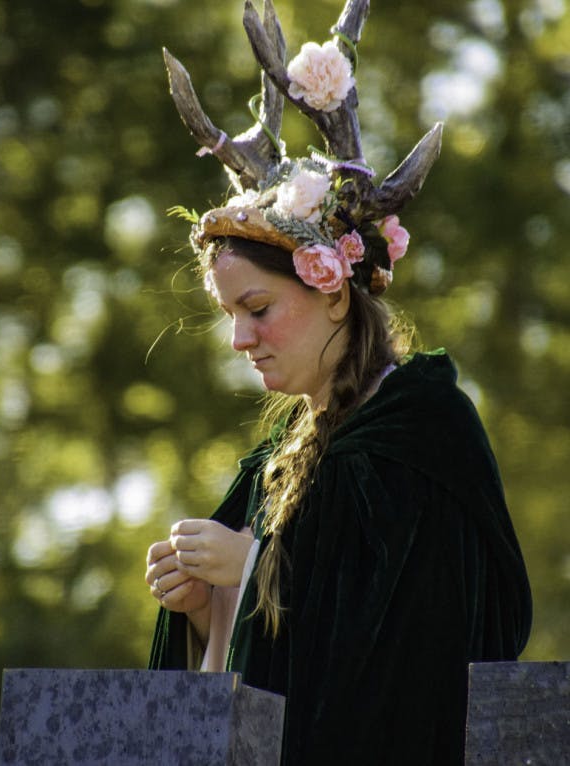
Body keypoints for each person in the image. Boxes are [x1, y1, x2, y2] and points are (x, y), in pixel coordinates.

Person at [147, 3, 532, 764]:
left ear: (331, 289)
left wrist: (254, 565)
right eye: (230, 314)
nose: (238, 338)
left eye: (257, 309)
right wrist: (203, 607)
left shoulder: (425, 434)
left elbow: (425, 639)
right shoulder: (275, 458)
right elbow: (256, 672)